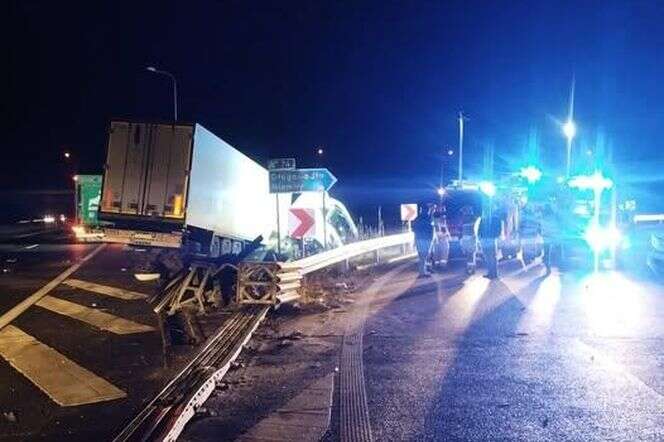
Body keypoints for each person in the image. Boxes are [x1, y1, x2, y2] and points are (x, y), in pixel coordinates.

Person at [478, 202, 503, 279]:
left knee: (488, 257)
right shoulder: (496, 218)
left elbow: (480, 229)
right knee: (492, 257)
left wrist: (480, 237)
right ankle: (494, 273)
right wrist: (496, 236)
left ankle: (491, 273)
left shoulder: (484, 218)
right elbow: (499, 229)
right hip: (492, 239)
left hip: (485, 239)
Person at [412, 202, 434, 276]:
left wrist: (415, 240)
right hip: (426, 239)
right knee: (424, 256)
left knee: (421, 256)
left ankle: (422, 271)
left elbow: (414, 229)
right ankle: (422, 272)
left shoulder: (417, 218)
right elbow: (431, 229)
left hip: (419, 238)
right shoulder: (428, 218)